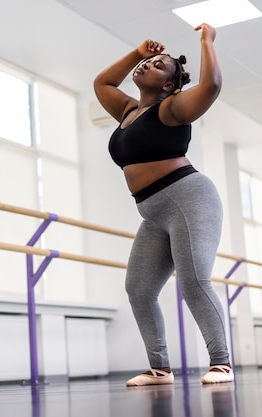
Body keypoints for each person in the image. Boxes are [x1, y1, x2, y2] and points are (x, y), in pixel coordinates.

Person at [93, 23, 233, 386]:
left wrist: (206, 41)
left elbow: (212, 87)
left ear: (169, 85)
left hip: (189, 198)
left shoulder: (171, 108)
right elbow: (102, 84)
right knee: (139, 289)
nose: (148, 65)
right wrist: (137, 54)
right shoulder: (127, 112)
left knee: (194, 281)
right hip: (153, 211)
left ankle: (221, 363)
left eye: (157, 65)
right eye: (149, 62)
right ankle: (160, 368)